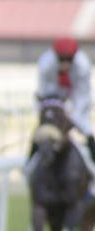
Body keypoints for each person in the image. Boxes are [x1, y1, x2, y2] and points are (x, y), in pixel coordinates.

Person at [33, 37, 95, 174]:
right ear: (56, 56)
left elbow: (83, 97)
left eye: (69, 60)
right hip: (54, 101)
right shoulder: (46, 64)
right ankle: (29, 167)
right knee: (40, 131)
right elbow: (43, 94)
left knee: (88, 131)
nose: (65, 64)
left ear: (74, 57)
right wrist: (53, 112)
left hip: (76, 102)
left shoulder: (83, 65)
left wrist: (72, 118)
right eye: (62, 59)